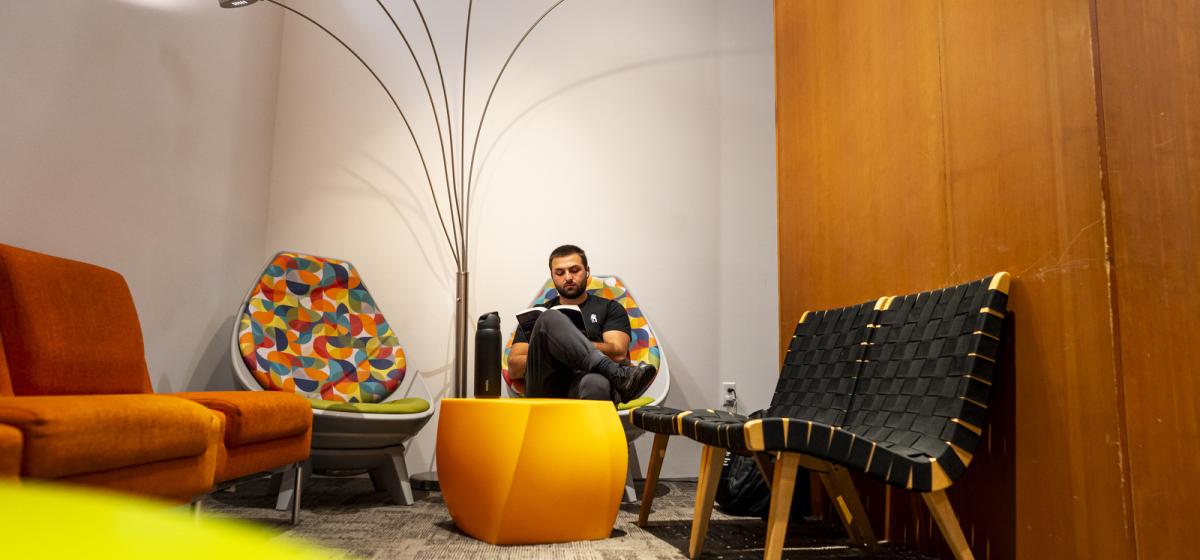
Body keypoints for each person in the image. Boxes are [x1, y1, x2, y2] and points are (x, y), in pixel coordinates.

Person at [507, 245, 656, 403]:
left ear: (587, 271)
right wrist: (555, 349)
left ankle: (596, 420)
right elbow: (514, 368)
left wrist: (573, 346)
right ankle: (617, 374)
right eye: (560, 273)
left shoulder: (610, 308)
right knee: (549, 318)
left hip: (586, 380)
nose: (568, 277)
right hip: (545, 387)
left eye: (574, 270)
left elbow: (618, 352)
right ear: (552, 276)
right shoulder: (537, 314)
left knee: (597, 384)